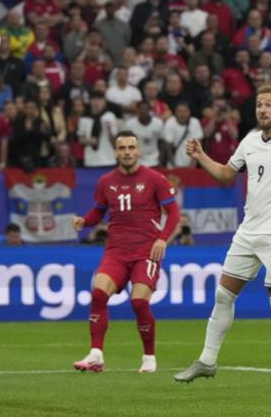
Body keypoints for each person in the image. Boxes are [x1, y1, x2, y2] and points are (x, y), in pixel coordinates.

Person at [174, 84, 271, 389]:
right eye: (259, 104)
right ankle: (207, 361)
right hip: (247, 232)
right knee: (222, 295)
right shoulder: (249, 142)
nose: (262, 110)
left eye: (269, 105)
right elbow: (225, 175)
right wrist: (202, 155)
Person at [72, 131, 181, 374]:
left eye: (131, 147)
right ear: (115, 152)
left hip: (146, 252)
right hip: (116, 251)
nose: (127, 152)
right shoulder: (105, 182)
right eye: (122, 148)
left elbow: (173, 213)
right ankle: (96, 354)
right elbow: (99, 212)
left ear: (138, 150)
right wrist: (84, 221)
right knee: (99, 294)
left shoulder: (154, 178)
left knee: (139, 302)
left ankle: (149, 357)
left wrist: (162, 239)